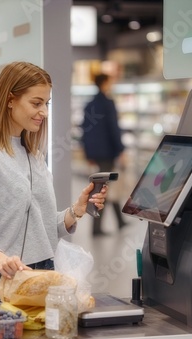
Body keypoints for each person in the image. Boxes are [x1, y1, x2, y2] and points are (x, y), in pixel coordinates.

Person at [0, 61, 108, 304]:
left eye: (46, 104)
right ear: (10, 100)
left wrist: (75, 211)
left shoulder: (33, 154)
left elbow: (40, 226)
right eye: (36, 103)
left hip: (42, 277)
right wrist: (0, 258)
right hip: (0, 282)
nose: (44, 112)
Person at [81, 73, 127, 236]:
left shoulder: (89, 105)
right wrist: (121, 150)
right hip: (107, 152)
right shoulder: (108, 104)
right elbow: (114, 129)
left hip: (94, 152)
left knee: (103, 186)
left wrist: (87, 153)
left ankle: (119, 221)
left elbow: (84, 130)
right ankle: (97, 228)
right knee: (102, 189)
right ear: (105, 83)